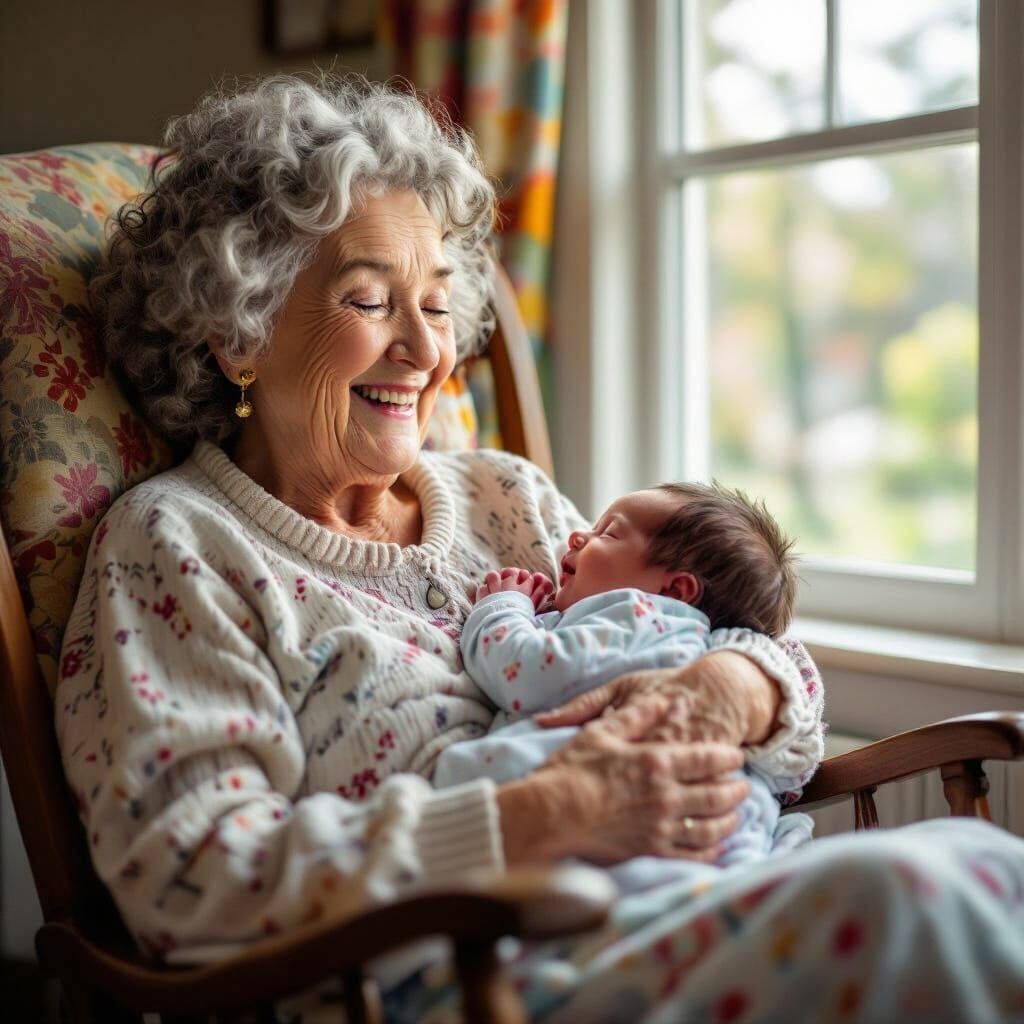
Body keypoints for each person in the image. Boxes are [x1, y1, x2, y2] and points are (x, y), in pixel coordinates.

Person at [55, 72, 1024, 1023]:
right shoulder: (174, 547)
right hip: (473, 979)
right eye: (368, 299)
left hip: (658, 908)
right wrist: (552, 810)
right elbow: (189, 877)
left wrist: (737, 685)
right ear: (239, 331)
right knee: (913, 899)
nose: (425, 351)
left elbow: (720, 649)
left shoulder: (501, 494)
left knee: (997, 868)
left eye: (435, 305)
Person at [433, 482, 816, 884]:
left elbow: (524, 671)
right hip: (722, 834)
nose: (577, 536)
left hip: (617, 836)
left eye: (609, 533)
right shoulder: (706, 645)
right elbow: (787, 774)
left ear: (674, 591)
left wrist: (502, 606)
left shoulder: (638, 614)